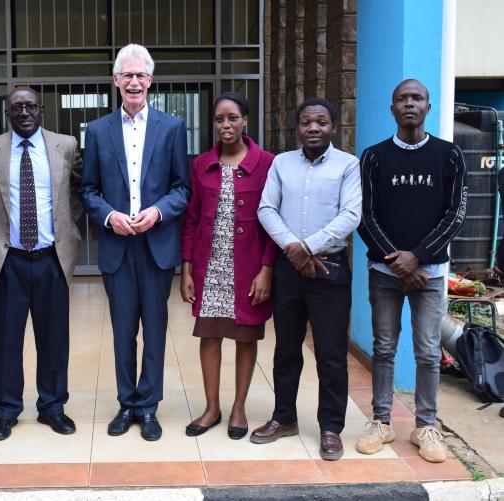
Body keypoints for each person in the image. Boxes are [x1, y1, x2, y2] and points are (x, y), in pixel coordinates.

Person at [80, 44, 190, 441]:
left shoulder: (172, 128)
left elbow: (182, 188)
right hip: (117, 247)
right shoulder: (95, 131)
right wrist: (109, 216)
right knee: (123, 330)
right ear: (115, 81)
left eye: (141, 75)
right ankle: (127, 403)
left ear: (150, 81)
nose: (134, 81)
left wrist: (157, 212)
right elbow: (88, 189)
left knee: (156, 330)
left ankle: (149, 406)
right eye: (127, 74)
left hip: (156, 245)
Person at [356, 79, 467, 463]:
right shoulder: (373, 157)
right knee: (383, 348)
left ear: (428, 107)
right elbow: (364, 216)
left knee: (427, 352)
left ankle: (426, 425)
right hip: (385, 274)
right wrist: (397, 260)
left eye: (416, 98)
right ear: (392, 109)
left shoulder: (449, 155)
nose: (409, 104)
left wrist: (417, 257)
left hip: (430, 275)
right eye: (401, 98)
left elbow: (456, 214)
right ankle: (381, 421)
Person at [255, 97, 361, 460]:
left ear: (333, 126)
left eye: (321, 122)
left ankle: (331, 428)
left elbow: (351, 214)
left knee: (331, 355)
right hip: (289, 271)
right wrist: (292, 248)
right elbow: (266, 207)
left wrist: (308, 247)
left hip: (329, 270)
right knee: (286, 350)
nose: (313, 128)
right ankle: (284, 417)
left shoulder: (348, 165)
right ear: (297, 127)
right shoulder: (281, 164)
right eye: (306, 122)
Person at [0, 86, 82, 440]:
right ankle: (6, 410)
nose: (23, 112)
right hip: (7, 259)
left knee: (54, 339)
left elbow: (80, 188)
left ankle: (52, 407)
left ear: (42, 110)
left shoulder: (64, 145)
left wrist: (68, 225)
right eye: (16, 107)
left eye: (30, 106)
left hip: (52, 258)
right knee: (6, 340)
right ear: (7, 112)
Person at [180, 91, 276, 440]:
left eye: (232, 117)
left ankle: (238, 408)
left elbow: (272, 220)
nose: (225, 125)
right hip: (211, 264)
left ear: (245, 121)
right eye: (219, 119)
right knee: (210, 335)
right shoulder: (202, 164)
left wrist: (266, 268)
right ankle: (211, 408)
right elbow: (191, 218)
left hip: (249, 266)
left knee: (246, 337)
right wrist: (187, 268)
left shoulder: (266, 162)